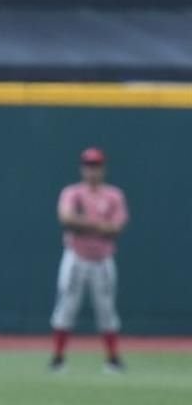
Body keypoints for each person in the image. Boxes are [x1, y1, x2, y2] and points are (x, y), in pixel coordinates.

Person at [49, 147, 129, 372]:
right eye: (88, 165)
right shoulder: (72, 193)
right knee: (66, 306)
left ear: (103, 169)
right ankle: (58, 358)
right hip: (76, 257)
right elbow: (66, 218)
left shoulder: (114, 195)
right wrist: (97, 225)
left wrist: (83, 223)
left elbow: (117, 227)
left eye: (96, 166)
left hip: (102, 260)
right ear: (82, 168)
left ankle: (112, 358)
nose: (92, 170)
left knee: (106, 309)